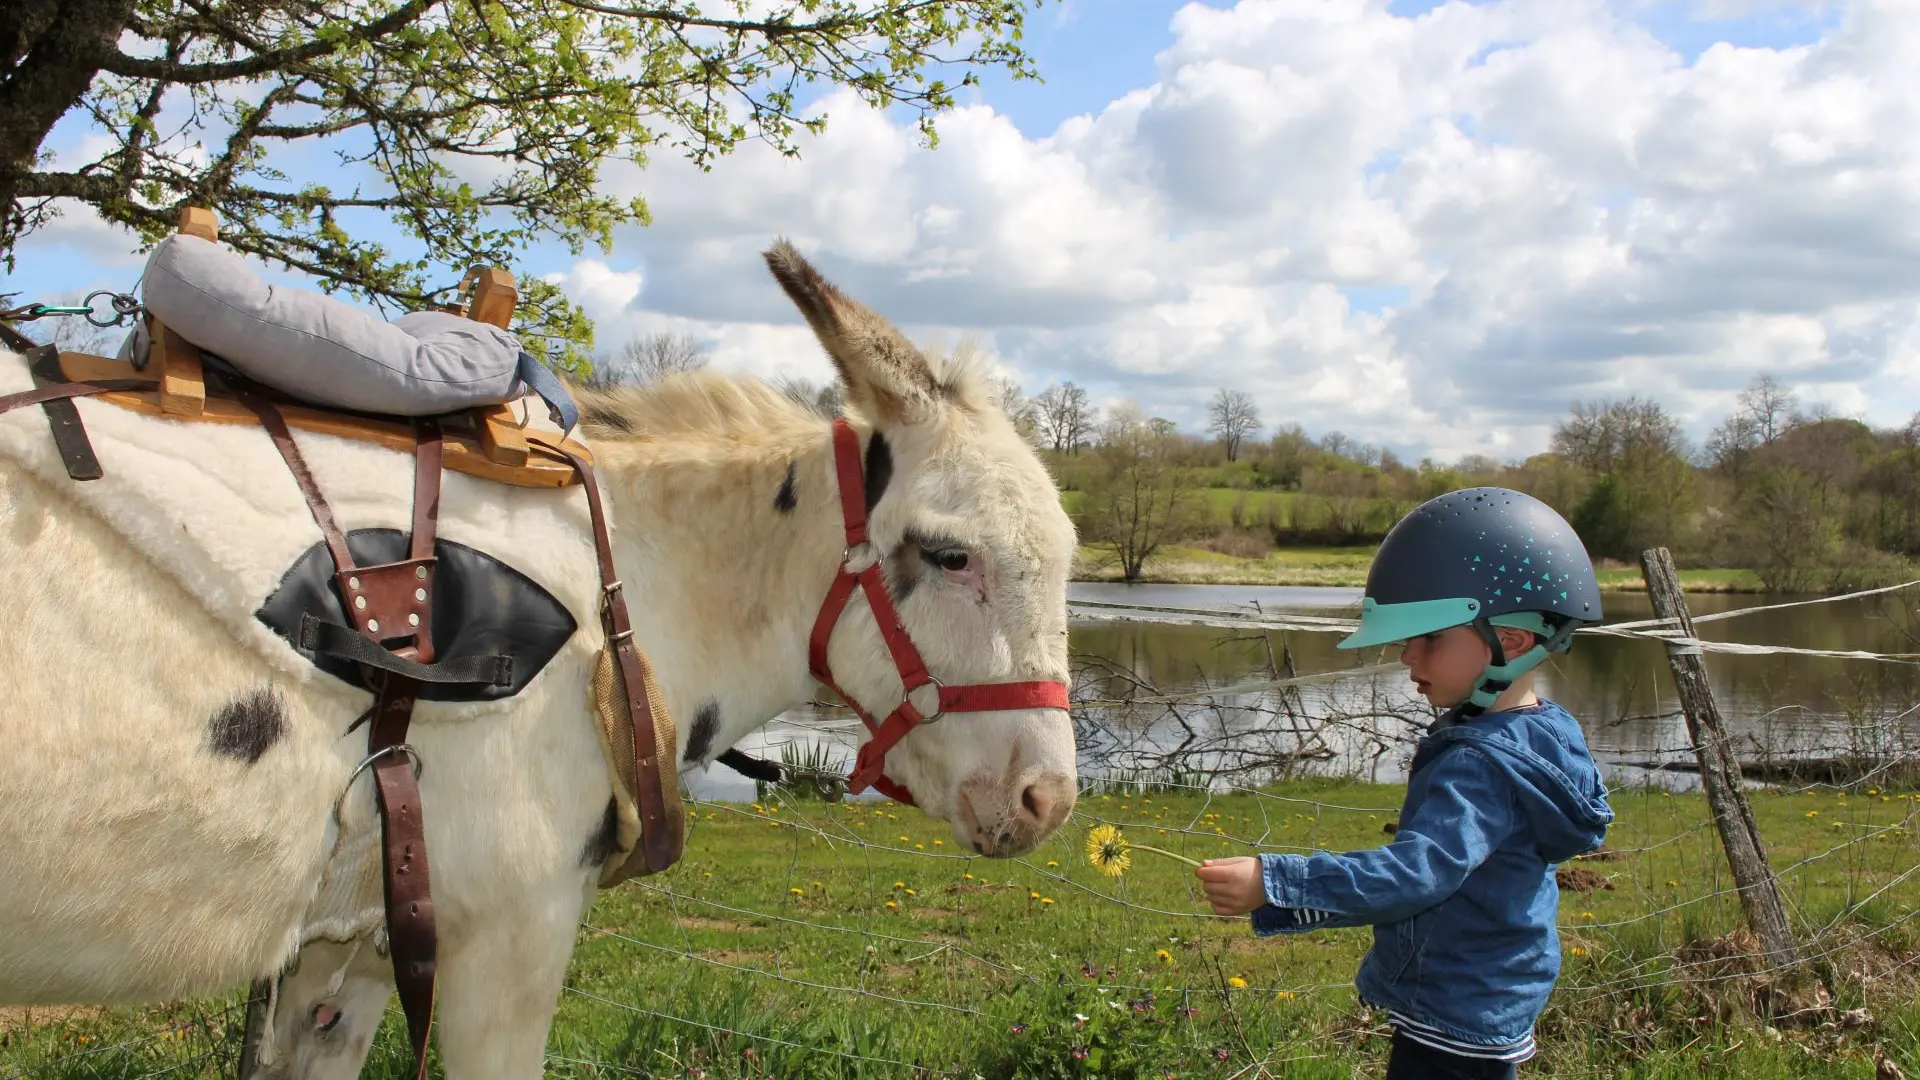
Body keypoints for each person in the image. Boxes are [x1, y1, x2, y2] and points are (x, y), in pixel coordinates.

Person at [1194, 487, 1614, 1079]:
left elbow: (1414, 876)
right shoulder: (1548, 733)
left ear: (1511, 642)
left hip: (1453, 1017)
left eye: (1431, 638)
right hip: (1495, 997)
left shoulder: (1479, 764)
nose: (1408, 658)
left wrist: (1276, 883)